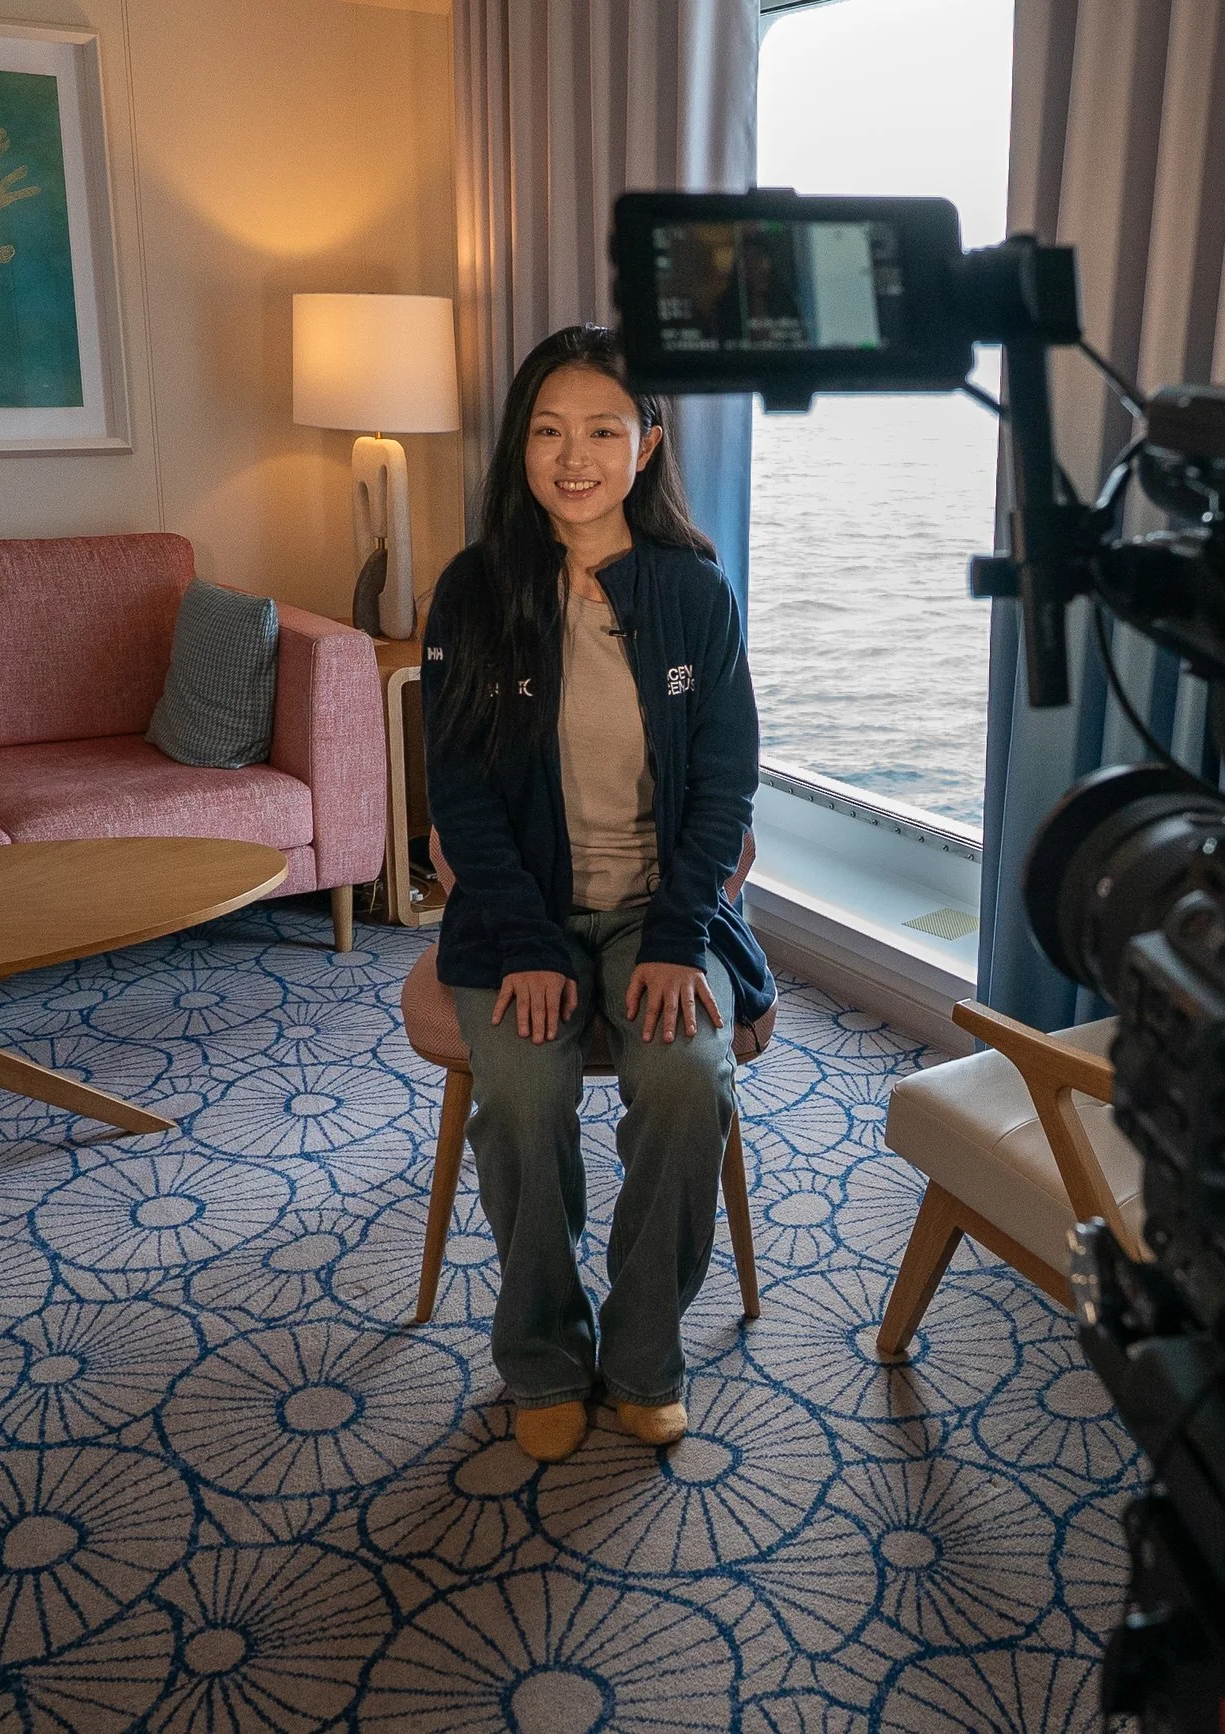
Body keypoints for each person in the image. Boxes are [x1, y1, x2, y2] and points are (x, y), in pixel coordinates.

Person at [422, 323, 775, 1464]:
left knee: (683, 1078)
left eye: (602, 431)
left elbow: (725, 782)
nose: (573, 456)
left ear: (647, 444)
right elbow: (459, 793)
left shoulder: (693, 592)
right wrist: (523, 939)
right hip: (517, 913)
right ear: (519, 446)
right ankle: (539, 1353)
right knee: (520, 1093)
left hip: (658, 911)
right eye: (547, 431)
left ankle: (643, 1351)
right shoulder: (474, 592)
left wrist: (678, 938)